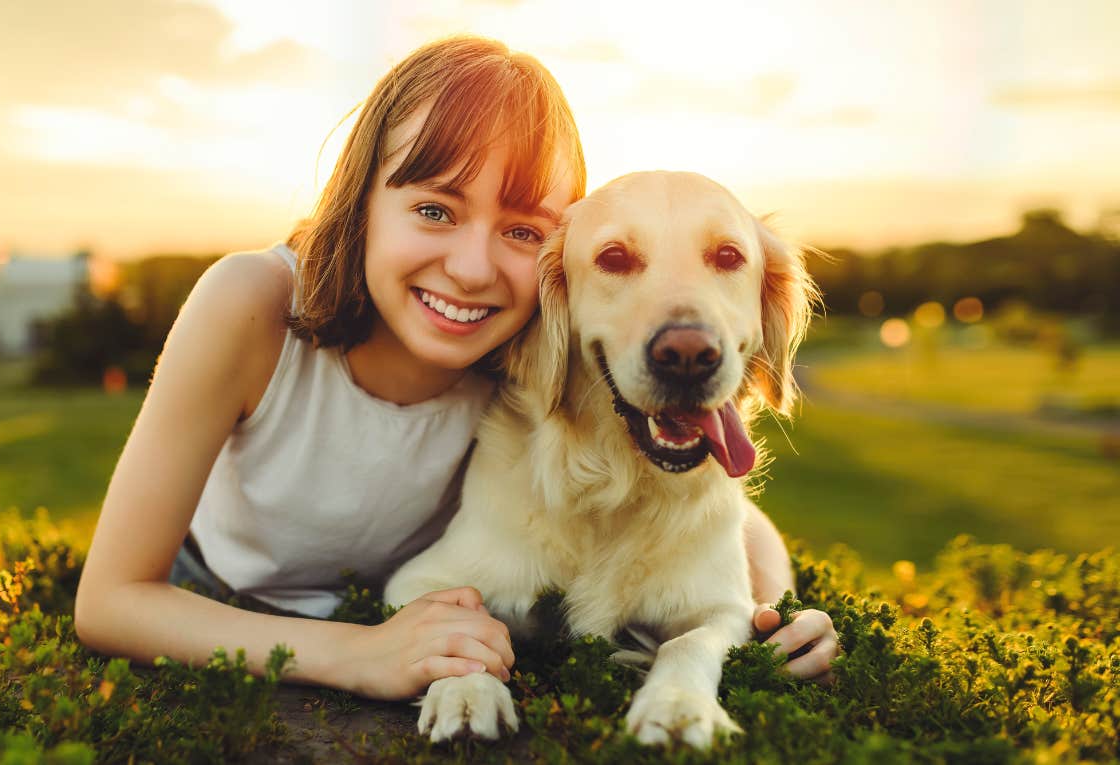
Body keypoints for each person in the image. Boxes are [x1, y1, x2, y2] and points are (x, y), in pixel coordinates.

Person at [73, 35, 837, 701]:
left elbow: (699, 482)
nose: (472, 269)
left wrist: (766, 603)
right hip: (212, 597)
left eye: (519, 228)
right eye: (435, 209)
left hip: (405, 608)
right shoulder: (251, 303)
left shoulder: (538, 343)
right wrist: (359, 653)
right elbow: (110, 599)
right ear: (361, 196)